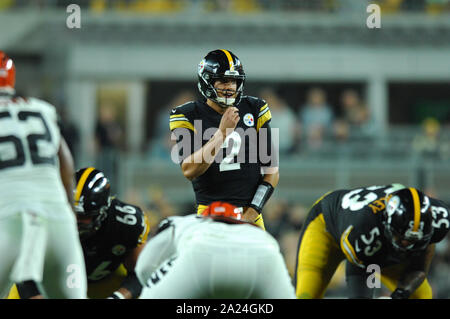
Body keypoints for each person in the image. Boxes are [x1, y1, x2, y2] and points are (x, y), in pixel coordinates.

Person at [0, 51, 87, 299]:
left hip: (9, 222)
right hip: (58, 222)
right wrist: (69, 217)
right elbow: (66, 167)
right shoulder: (41, 109)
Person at [169, 49, 279, 229]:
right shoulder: (187, 114)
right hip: (209, 214)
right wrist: (221, 134)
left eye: (234, 81)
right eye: (223, 80)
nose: (229, 87)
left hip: (249, 214)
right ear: (207, 81)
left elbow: (272, 171)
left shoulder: (255, 108)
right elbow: (189, 170)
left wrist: (251, 212)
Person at [8, 167, 150, 299]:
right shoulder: (44, 218)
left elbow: (140, 273)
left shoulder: (126, 223)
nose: (74, 220)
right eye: (70, 211)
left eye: (83, 216)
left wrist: (118, 297)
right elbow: (24, 273)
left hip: (104, 283)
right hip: (49, 282)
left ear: (102, 212)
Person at [294, 183, 450, 299]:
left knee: (422, 295)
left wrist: (402, 292)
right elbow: (364, 272)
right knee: (306, 294)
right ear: (387, 224)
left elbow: (421, 263)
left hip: (372, 243)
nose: (408, 245)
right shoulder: (364, 230)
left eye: (415, 241)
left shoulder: (440, 218)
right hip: (326, 227)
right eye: (403, 240)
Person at [135, 201, 296, 299]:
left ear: (204, 217)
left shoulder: (189, 222)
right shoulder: (258, 233)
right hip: (264, 255)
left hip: (201, 254)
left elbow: (144, 266)